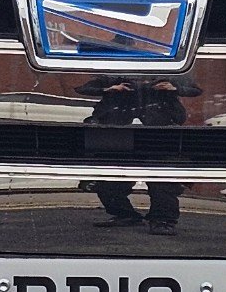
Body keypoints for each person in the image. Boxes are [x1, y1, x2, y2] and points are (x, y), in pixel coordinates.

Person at [81, 75, 198, 231]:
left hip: (160, 136)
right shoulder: (114, 77)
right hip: (119, 135)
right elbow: (83, 88)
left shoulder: (168, 77)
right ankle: (124, 215)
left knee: (163, 181)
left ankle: (163, 221)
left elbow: (195, 89)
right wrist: (109, 89)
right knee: (108, 179)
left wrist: (174, 88)